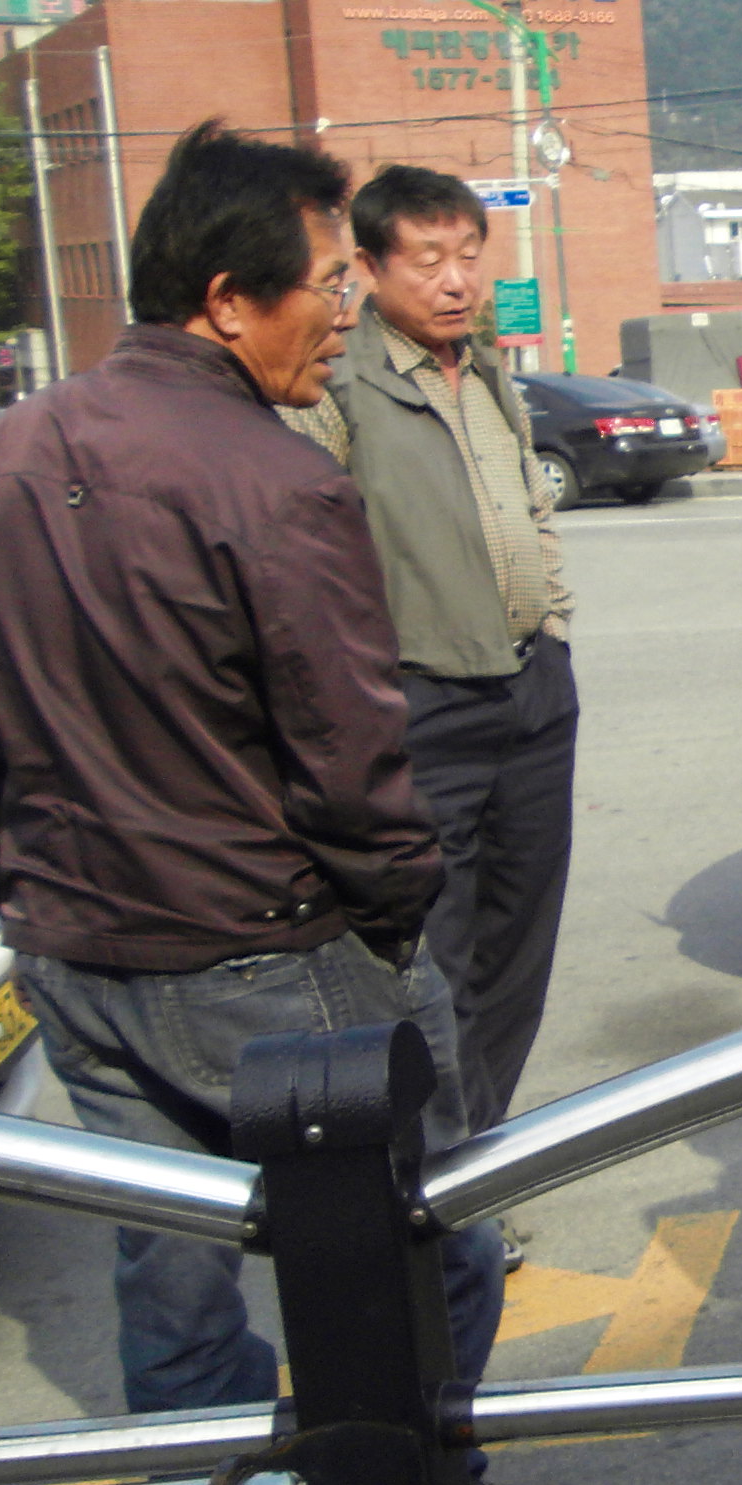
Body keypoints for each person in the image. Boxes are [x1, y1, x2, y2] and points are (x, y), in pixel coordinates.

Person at [0, 123, 567, 1485]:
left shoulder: (17, 449)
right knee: (435, 1240)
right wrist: (393, 923)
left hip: (82, 953)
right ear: (228, 299)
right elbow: (352, 760)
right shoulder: (273, 483)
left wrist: (28, 893)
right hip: (271, 950)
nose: (341, 316)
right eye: (328, 285)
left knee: (171, 1266)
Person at [283, 164, 580, 1143]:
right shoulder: (339, 386)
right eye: (426, 260)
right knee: (433, 959)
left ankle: (479, 1147)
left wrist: (555, 625)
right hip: (419, 707)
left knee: (518, 946)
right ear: (370, 268)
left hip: (532, 694)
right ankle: (439, 1169)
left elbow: (533, 510)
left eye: (467, 257)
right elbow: (304, 556)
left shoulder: (488, 374)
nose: (455, 282)